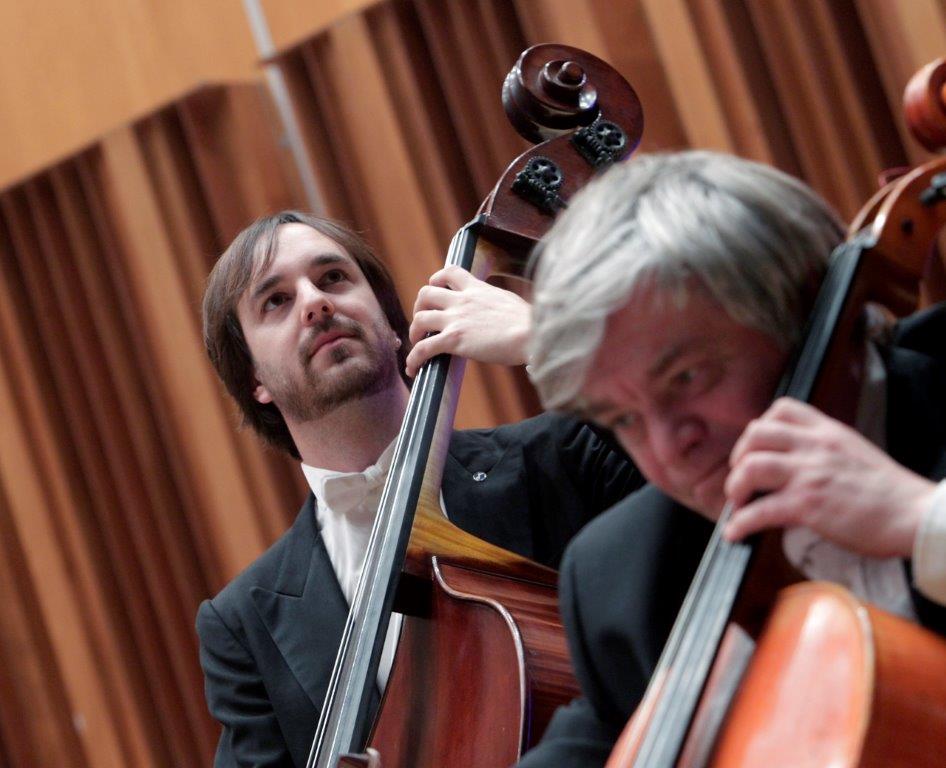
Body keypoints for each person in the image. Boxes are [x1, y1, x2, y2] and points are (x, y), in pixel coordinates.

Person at [517, 150, 946, 766]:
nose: (669, 447)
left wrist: (921, 518)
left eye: (688, 377)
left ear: (798, 312)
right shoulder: (625, 575)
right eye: (623, 419)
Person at [195, 211, 642, 767]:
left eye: (333, 277)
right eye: (275, 302)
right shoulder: (242, 626)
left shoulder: (560, 458)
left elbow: (705, 480)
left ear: (389, 319)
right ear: (255, 380)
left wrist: (549, 337)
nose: (315, 302)